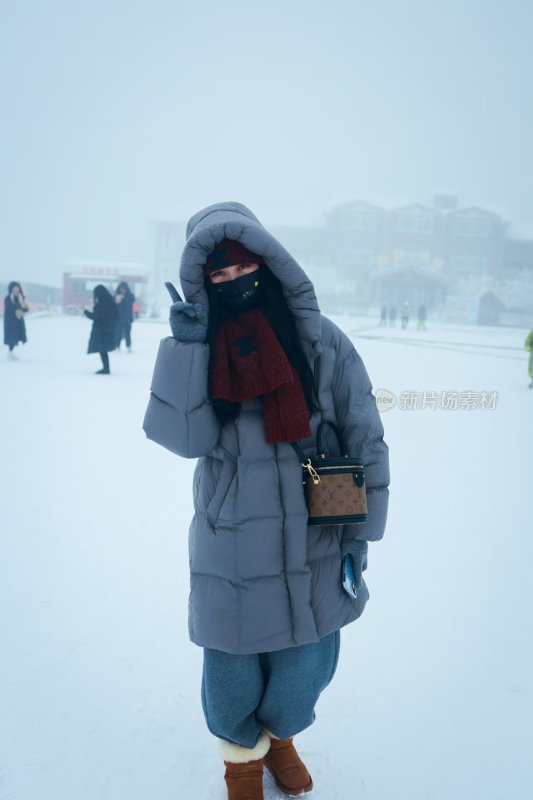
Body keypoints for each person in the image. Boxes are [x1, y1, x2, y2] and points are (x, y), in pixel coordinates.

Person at [143, 202, 390, 800]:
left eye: (242, 269)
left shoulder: (320, 340)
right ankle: (240, 761)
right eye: (217, 275)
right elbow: (183, 438)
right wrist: (187, 348)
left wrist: (362, 532)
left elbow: (364, 430)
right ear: (202, 280)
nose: (232, 283)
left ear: (268, 262)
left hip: (319, 522)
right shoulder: (198, 346)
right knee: (231, 670)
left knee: (307, 661)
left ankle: (280, 736)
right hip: (232, 532)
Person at [83, 285, 119, 374]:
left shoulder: (103, 304)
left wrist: (86, 311)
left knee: (103, 350)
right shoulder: (110, 302)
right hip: (108, 329)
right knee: (103, 350)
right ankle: (106, 368)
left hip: (102, 330)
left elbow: (96, 317)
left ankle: (106, 369)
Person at [4, 281, 29, 359]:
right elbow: (9, 308)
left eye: (17, 290)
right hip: (10, 321)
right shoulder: (8, 298)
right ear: (11, 290)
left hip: (17, 321)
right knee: (11, 337)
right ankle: (10, 353)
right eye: (14, 290)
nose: (16, 291)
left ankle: (11, 352)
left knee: (15, 337)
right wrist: (17, 309)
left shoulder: (20, 298)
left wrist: (24, 305)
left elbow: (25, 309)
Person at [115, 281, 136, 352]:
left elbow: (130, 302)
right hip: (118, 318)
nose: (123, 290)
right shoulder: (116, 295)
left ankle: (128, 346)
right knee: (118, 333)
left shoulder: (130, 296)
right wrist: (117, 300)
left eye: (124, 289)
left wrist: (122, 299)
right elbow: (114, 305)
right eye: (121, 289)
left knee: (127, 333)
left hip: (127, 318)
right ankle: (117, 346)